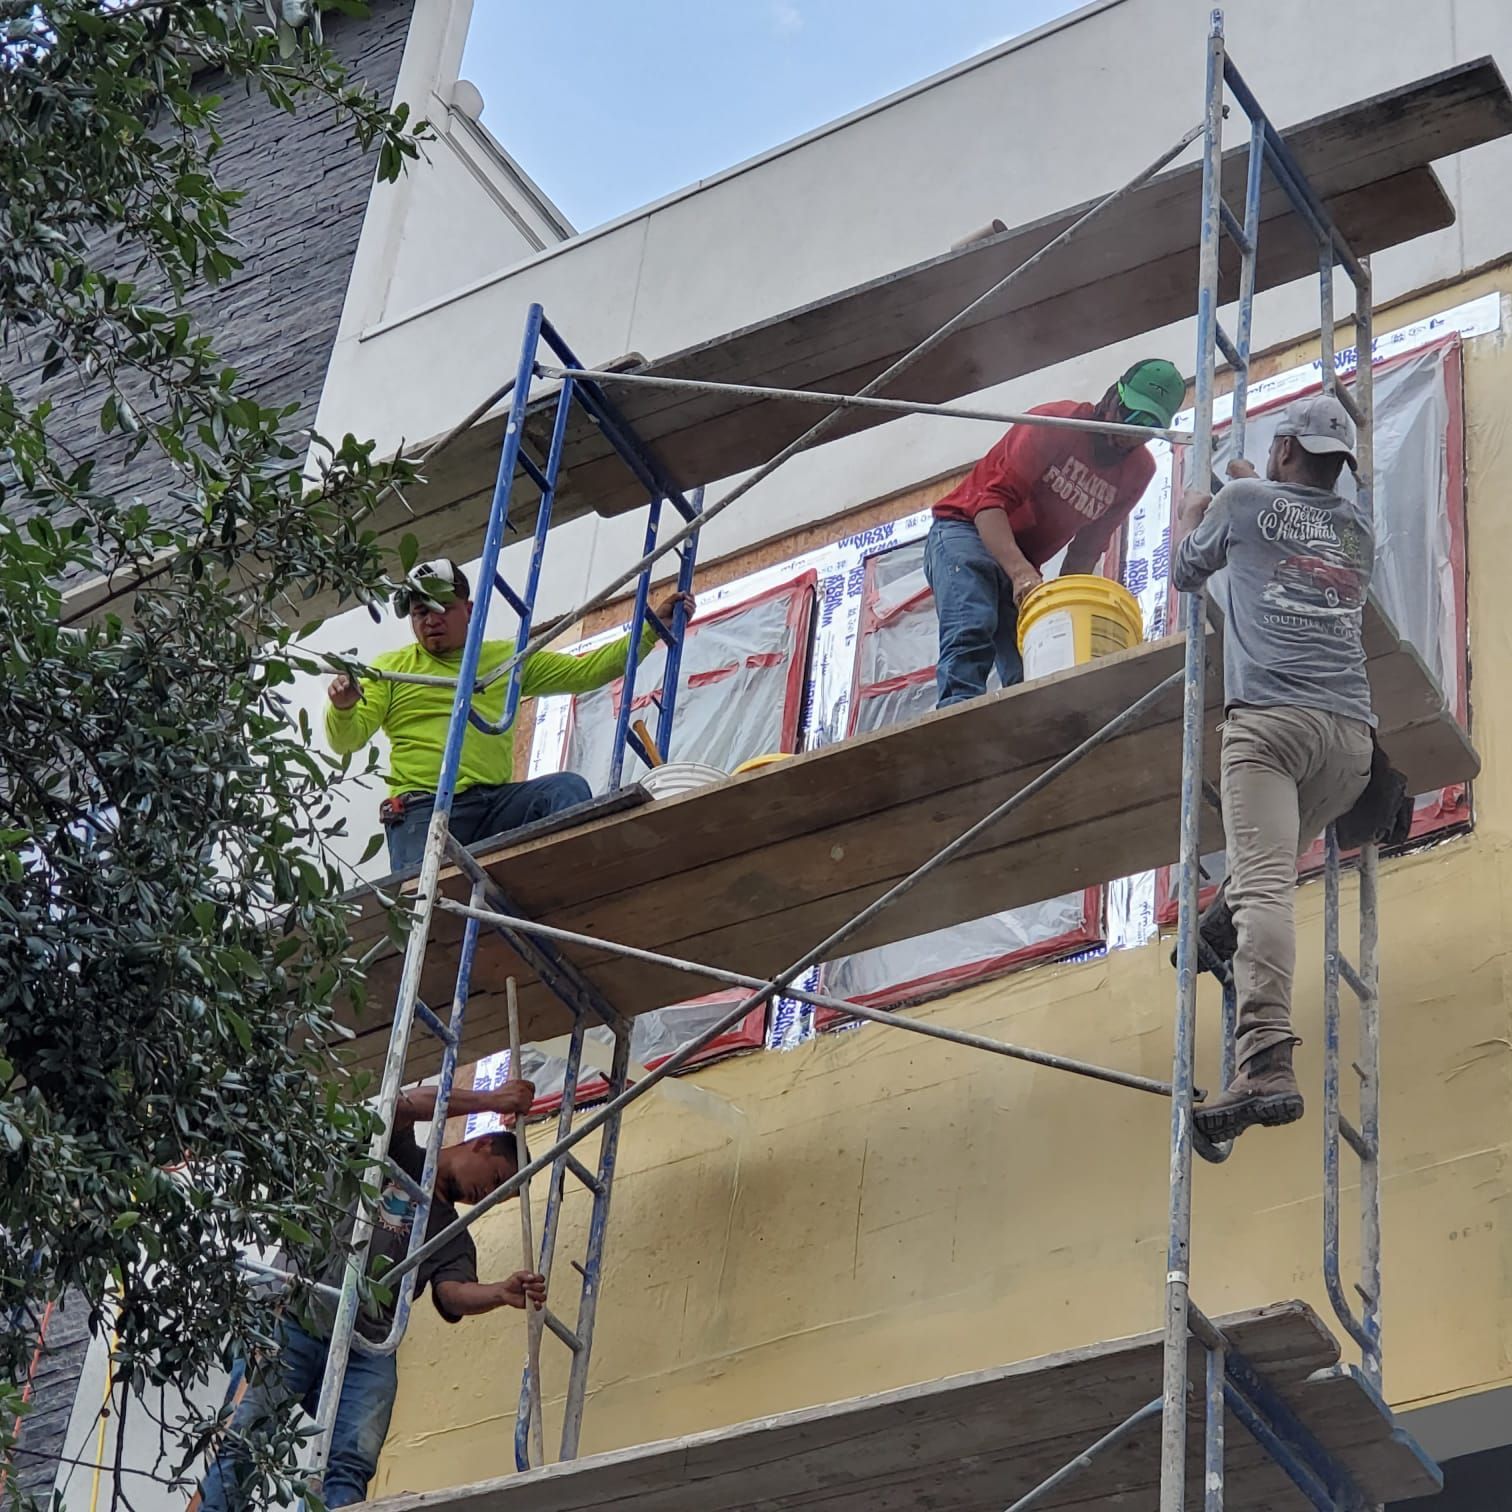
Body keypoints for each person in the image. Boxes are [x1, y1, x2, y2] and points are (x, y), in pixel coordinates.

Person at [1172, 394, 1375, 1143]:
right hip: (1350, 743)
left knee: (1266, 886)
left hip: (1271, 727)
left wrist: (1197, 510)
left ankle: (1263, 1058)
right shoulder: (1357, 528)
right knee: (1270, 865)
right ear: (1338, 469)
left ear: (1285, 449)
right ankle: (1226, 917)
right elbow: (1294, 539)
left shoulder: (1243, 500)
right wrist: (1250, 492)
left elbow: (1186, 573)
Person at [198, 1079, 543, 1511]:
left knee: (349, 1463)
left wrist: (500, 1292)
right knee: (246, 1435)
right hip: (299, 1309)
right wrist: (492, 1099)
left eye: (498, 1197)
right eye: (494, 1180)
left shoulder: (453, 1236)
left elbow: (451, 1293)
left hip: (367, 1348)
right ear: (482, 1144)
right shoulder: (396, 1152)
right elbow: (402, 1104)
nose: (486, 1196)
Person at [325, 559, 696, 870]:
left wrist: (650, 629)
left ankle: (580, 882)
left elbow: (587, 672)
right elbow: (348, 738)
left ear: (468, 610)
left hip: (493, 805)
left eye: (441, 608)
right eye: (420, 612)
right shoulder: (391, 669)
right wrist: (343, 708)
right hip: (424, 808)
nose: (430, 620)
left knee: (566, 790)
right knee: (427, 907)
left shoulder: (505, 661)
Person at [924, 358, 1184, 706]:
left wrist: (1061, 610)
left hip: (1022, 560)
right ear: (1112, 397)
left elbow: (1085, 551)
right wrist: (1021, 574)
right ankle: (954, 714)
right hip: (966, 529)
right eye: (1131, 415)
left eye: (1147, 428)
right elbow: (989, 504)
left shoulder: (1138, 471)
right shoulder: (1054, 424)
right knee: (973, 624)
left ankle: (1028, 736)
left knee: (1034, 660)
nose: (1130, 433)